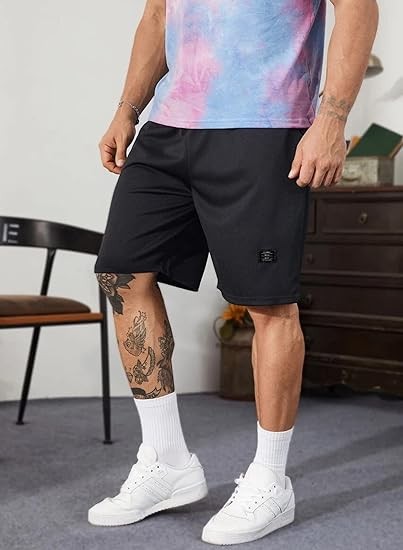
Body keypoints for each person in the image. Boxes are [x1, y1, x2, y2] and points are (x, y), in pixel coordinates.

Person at [88, 0, 378, 544]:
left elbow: (359, 8)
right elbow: (157, 16)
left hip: (264, 124)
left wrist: (332, 119)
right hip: (170, 124)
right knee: (123, 276)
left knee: (267, 302)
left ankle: (271, 480)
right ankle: (167, 460)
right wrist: (127, 109)